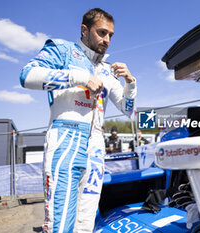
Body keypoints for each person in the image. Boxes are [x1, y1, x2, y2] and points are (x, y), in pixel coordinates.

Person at [19, 8, 136, 233]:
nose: (107, 40)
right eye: (102, 33)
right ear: (84, 30)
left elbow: (127, 110)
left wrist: (130, 83)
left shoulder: (106, 70)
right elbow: (27, 75)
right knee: (60, 223)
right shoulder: (64, 50)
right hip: (66, 136)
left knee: (86, 223)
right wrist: (79, 77)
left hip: (96, 145)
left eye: (111, 35)